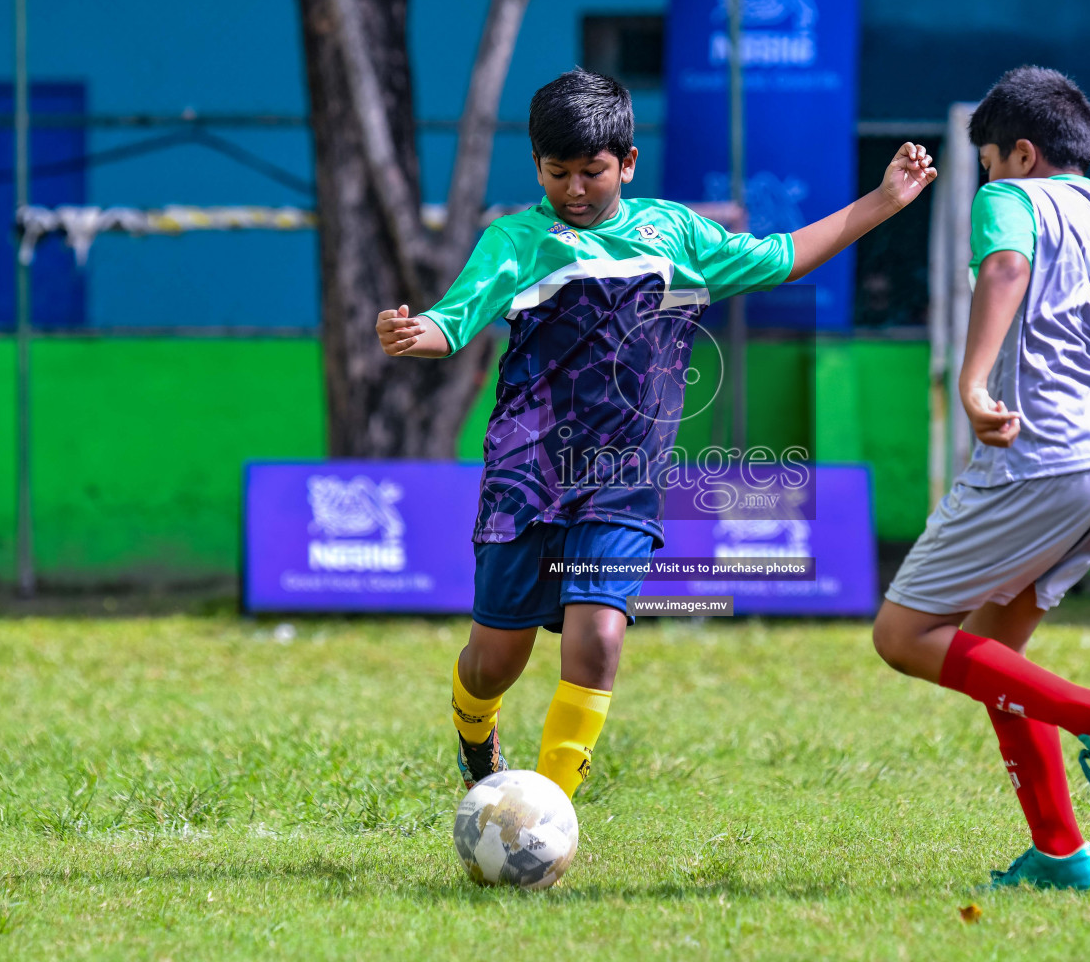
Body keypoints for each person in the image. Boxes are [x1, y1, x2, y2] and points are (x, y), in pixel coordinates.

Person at [375, 67, 936, 799]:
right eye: (558, 173)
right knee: (493, 662)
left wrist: (883, 201)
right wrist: (411, 335)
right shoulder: (515, 240)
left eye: (593, 172)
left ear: (629, 164)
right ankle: (474, 731)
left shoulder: (673, 233)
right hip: (527, 478)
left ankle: (545, 815)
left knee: (599, 641)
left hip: (621, 483)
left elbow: (781, 256)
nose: (575, 189)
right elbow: (453, 322)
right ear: (538, 167)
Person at [872, 66, 1090, 890]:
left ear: (1020, 152)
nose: (985, 177)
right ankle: (1062, 855)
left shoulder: (1014, 198)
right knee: (992, 654)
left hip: (1038, 458)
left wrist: (974, 382)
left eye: (987, 160)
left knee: (904, 635)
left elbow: (1004, 272)